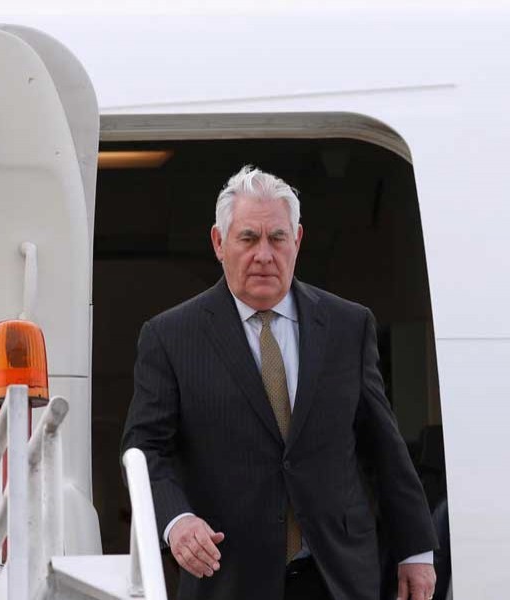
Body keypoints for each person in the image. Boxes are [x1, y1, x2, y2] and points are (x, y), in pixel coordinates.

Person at [121, 166, 438, 600]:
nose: (264, 255)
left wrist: (415, 550)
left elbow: (383, 446)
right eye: (248, 238)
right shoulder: (171, 337)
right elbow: (145, 449)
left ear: (298, 241)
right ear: (219, 242)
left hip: (337, 576)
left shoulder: (348, 325)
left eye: (277, 238)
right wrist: (177, 521)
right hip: (228, 577)